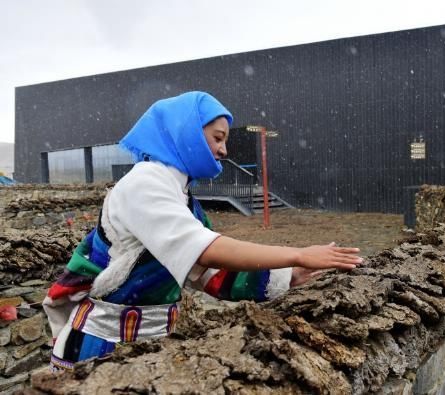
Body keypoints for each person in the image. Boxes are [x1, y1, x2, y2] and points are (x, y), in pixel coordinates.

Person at [43, 91, 363, 371]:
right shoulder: (144, 183)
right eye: (218, 138)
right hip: (100, 346)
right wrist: (297, 253)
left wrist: (288, 274)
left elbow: (211, 274)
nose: (224, 151)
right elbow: (206, 249)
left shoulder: (184, 199)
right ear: (187, 133)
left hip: (149, 346)